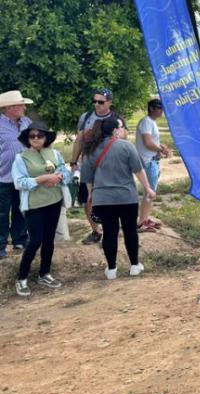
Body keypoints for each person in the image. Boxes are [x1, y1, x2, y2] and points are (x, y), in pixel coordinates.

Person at [80, 117, 155, 280]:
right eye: (120, 127)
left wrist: (92, 194)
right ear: (115, 130)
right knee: (130, 231)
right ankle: (135, 265)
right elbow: (138, 170)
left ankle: (112, 269)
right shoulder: (126, 146)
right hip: (126, 197)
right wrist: (148, 188)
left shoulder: (90, 150)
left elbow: (87, 178)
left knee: (109, 232)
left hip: (103, 199)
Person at [12, 121, 70, 296]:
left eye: (40, 135)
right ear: (27, 139)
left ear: (46, 138)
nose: (36, 139)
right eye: (32, 136)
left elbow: (65, 173)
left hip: (53, 201)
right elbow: (19, 182)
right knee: (35, 240)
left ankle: (44, 273)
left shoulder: (55, 153)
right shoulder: (21, 158)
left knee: (49, 239)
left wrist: (58, 177)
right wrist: (41, 179)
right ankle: (21, 278)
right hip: (34, 205)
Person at [71, 88, 120, 245]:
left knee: (109, 200)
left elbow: (122, 139)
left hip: (109, 167)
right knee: (87, 200)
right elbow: (79, 140)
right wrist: (73, 161)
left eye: (101, 102)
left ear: (110, 102)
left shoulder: (116, 119)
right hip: (88, 166)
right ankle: (95, 231)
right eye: (95, 101)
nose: (97, 104)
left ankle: (110, 232)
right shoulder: (86, 118)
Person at [0, 90, 31, 259]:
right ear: (9, 108)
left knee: (22, 209)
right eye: (21, 105)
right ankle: (0, 247)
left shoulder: (27, 122)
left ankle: (20, 240)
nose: (24, 108)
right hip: (2, 177)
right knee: (2, 213)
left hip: (23, 177)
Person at [135, 99, 169, 232]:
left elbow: (152, 142)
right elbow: (148, 143)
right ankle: (142, 222)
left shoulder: (151, 123)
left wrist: (161, 147)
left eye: (162, 108)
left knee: (150, 191)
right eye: (159, 108)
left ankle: (144, 219)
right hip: (148, 161)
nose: (161, 110)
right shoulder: (146, 122)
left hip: (152, 160)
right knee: (150, 192)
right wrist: (161, 150)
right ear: (151, 109)